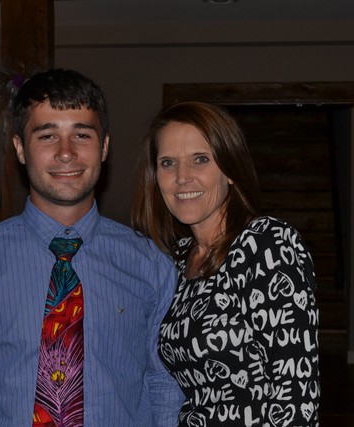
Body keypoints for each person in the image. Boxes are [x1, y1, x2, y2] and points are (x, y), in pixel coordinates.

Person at [0, 68, 184, 426]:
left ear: (104, 147)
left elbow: (165, 386)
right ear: (20, 148)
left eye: (81, 135)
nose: (66, 153)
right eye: (47, 135)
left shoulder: (150, 263)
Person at [131, 101, 320, 426]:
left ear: (230, 170)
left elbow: (297, 399)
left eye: (200, 159)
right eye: (168, 163)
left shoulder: (267, 244)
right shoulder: (175, 261)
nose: (182, 177)